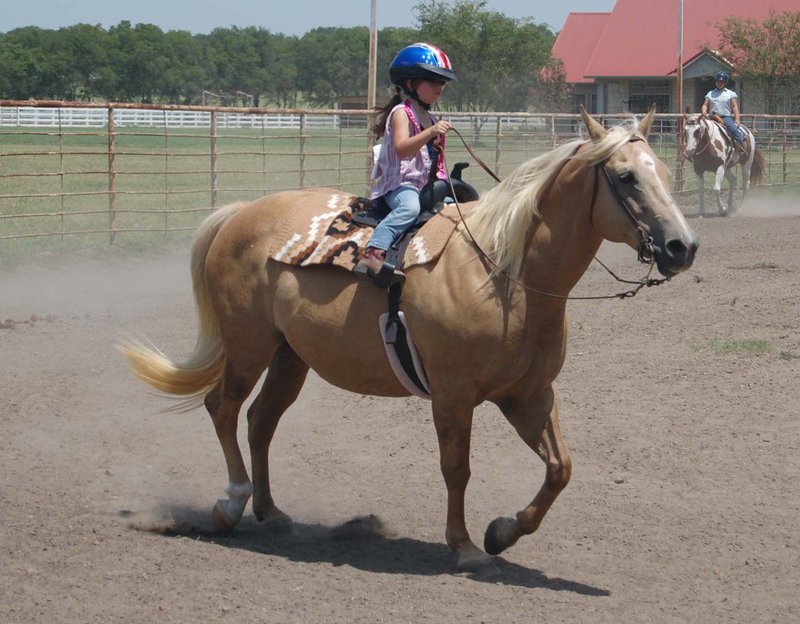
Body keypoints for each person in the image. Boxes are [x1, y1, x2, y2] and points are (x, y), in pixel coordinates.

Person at [357, 42, 456, 278]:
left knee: (458, 206)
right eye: (432, 82)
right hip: (400, 185)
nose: (439, 88)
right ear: (410, 83)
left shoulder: (431, 118)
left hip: (423, 185)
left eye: (442, 83)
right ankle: (374, 252)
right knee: (410, 208)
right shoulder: (401, 112)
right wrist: (430, 134)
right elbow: (402, 149)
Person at [701, 71, 746, 152]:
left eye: (721, 82)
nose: (719, 83)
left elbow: (734, 106)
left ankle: (740, 145)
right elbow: (705, 105)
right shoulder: (710, 93)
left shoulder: (730, 93)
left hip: (725, 117)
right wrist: (704, 110)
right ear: (715, 82)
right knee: (700, 129)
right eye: (718, 81)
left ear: (725, 83)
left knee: (733, 129)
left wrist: (737, 119)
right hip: (712, 117)